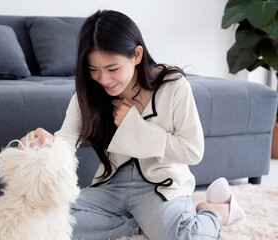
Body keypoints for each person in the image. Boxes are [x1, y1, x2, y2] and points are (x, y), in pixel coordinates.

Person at [19, 10, 245, 240]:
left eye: (112, 69)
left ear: (137, 55)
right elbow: (67, 139)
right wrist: (47, 146)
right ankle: (135, 223)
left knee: (186, 237)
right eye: (94, 69)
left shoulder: (173, 86)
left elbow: (193, 151)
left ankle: (215, 211)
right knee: (43, 220)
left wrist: (135, 128)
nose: (104, 79)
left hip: (159, 184)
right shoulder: (89, 91)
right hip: (111, 186)